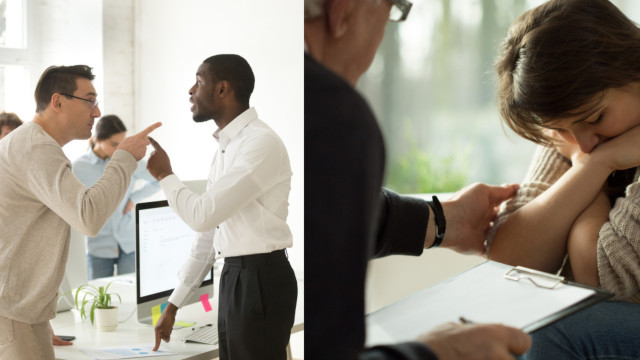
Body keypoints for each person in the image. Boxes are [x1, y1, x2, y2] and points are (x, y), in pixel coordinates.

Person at [305, 0, 531, 359]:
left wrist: (446, 220)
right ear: (343, 10)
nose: (382, 35)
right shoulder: (332, 118)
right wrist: (438, 353)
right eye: (392, 9)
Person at [489, 0, 640, 358]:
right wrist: (596, 166)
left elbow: (601, 278)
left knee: (550, 330)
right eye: (560, 130)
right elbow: (508, 261)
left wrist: (585, 169)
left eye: (597, 116)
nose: (582, 143)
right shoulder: (578, 129)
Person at [0, 64, 160, 359]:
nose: (96, 113)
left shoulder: (32, 145)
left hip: (20, 312)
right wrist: (123, 157)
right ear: (58, 102)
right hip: (14, 314)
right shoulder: (36, 148)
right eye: (90, 101)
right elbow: (88, 217)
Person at [148, 54, 297, 360]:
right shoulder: (226, 149)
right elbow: (211, 234)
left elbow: (202, 216)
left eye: (199, 81)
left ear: (223, 89)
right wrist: (173, 305)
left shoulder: (260, 144)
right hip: (233, 277)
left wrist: (165, 174)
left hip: (260, 279)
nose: (191, 90)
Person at [73, 114, 160, 279]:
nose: (119, 150)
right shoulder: (78, 167)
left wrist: (133, 199)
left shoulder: (130, 161)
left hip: (128, 242)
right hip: (98, 245)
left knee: (130, 295)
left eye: (122, 144)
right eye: (114, 144)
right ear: (97, 139)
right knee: (99, 298)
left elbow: (159, 179)